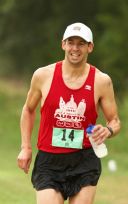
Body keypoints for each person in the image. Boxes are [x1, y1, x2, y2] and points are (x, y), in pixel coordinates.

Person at [17, 22, 121, 204]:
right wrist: (26, 147)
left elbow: (115, 121)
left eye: (81, 43)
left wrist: (108, 131)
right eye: (71, 42)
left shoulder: (101, 81)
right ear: (63, 44)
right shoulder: (43, 76)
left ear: (90, 47)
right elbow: (28, 109)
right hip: (49, 161)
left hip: (84, 160)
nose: (75, 48)